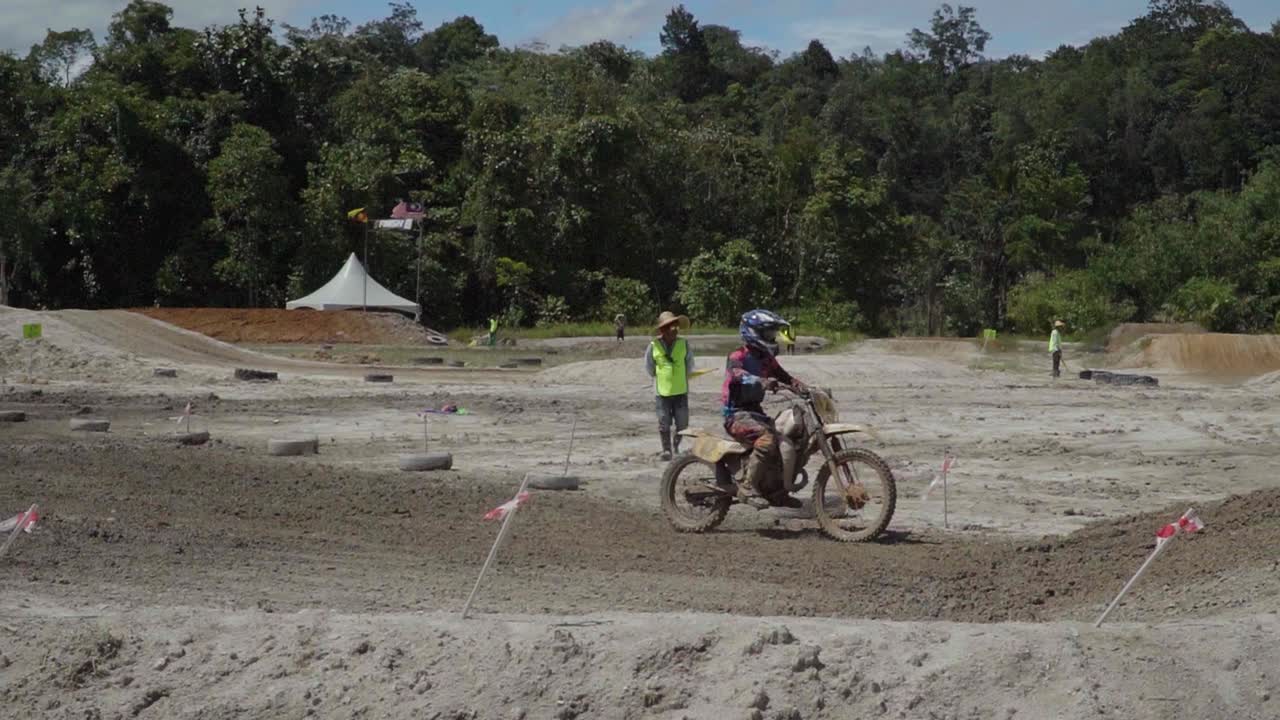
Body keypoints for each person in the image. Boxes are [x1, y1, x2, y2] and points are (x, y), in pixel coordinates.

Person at [722, 309, 807, 509]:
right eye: (768, 333)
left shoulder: (767, 359)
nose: (772, 337)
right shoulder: (738, 355)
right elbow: (737, 374)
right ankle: (747, 486)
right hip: (735, 415)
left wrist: (801, 387)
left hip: (755, 413)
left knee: (787, 440)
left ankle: (776, 491)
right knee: (767, 439)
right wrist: (761, 381)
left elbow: (784, 376)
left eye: (772, 333)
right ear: (753, 332)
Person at [645, 311, 694, 461]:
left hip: (681, 391)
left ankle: (676, 445)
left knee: (682, 424)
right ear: (662, 330)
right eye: (669, 327)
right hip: (662, 393)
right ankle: (666, 450)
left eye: (675, 326)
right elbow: (650, 368)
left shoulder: (684, 344)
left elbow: (689, 365)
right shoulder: (653, 346)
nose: (673, 330)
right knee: (664, 422)